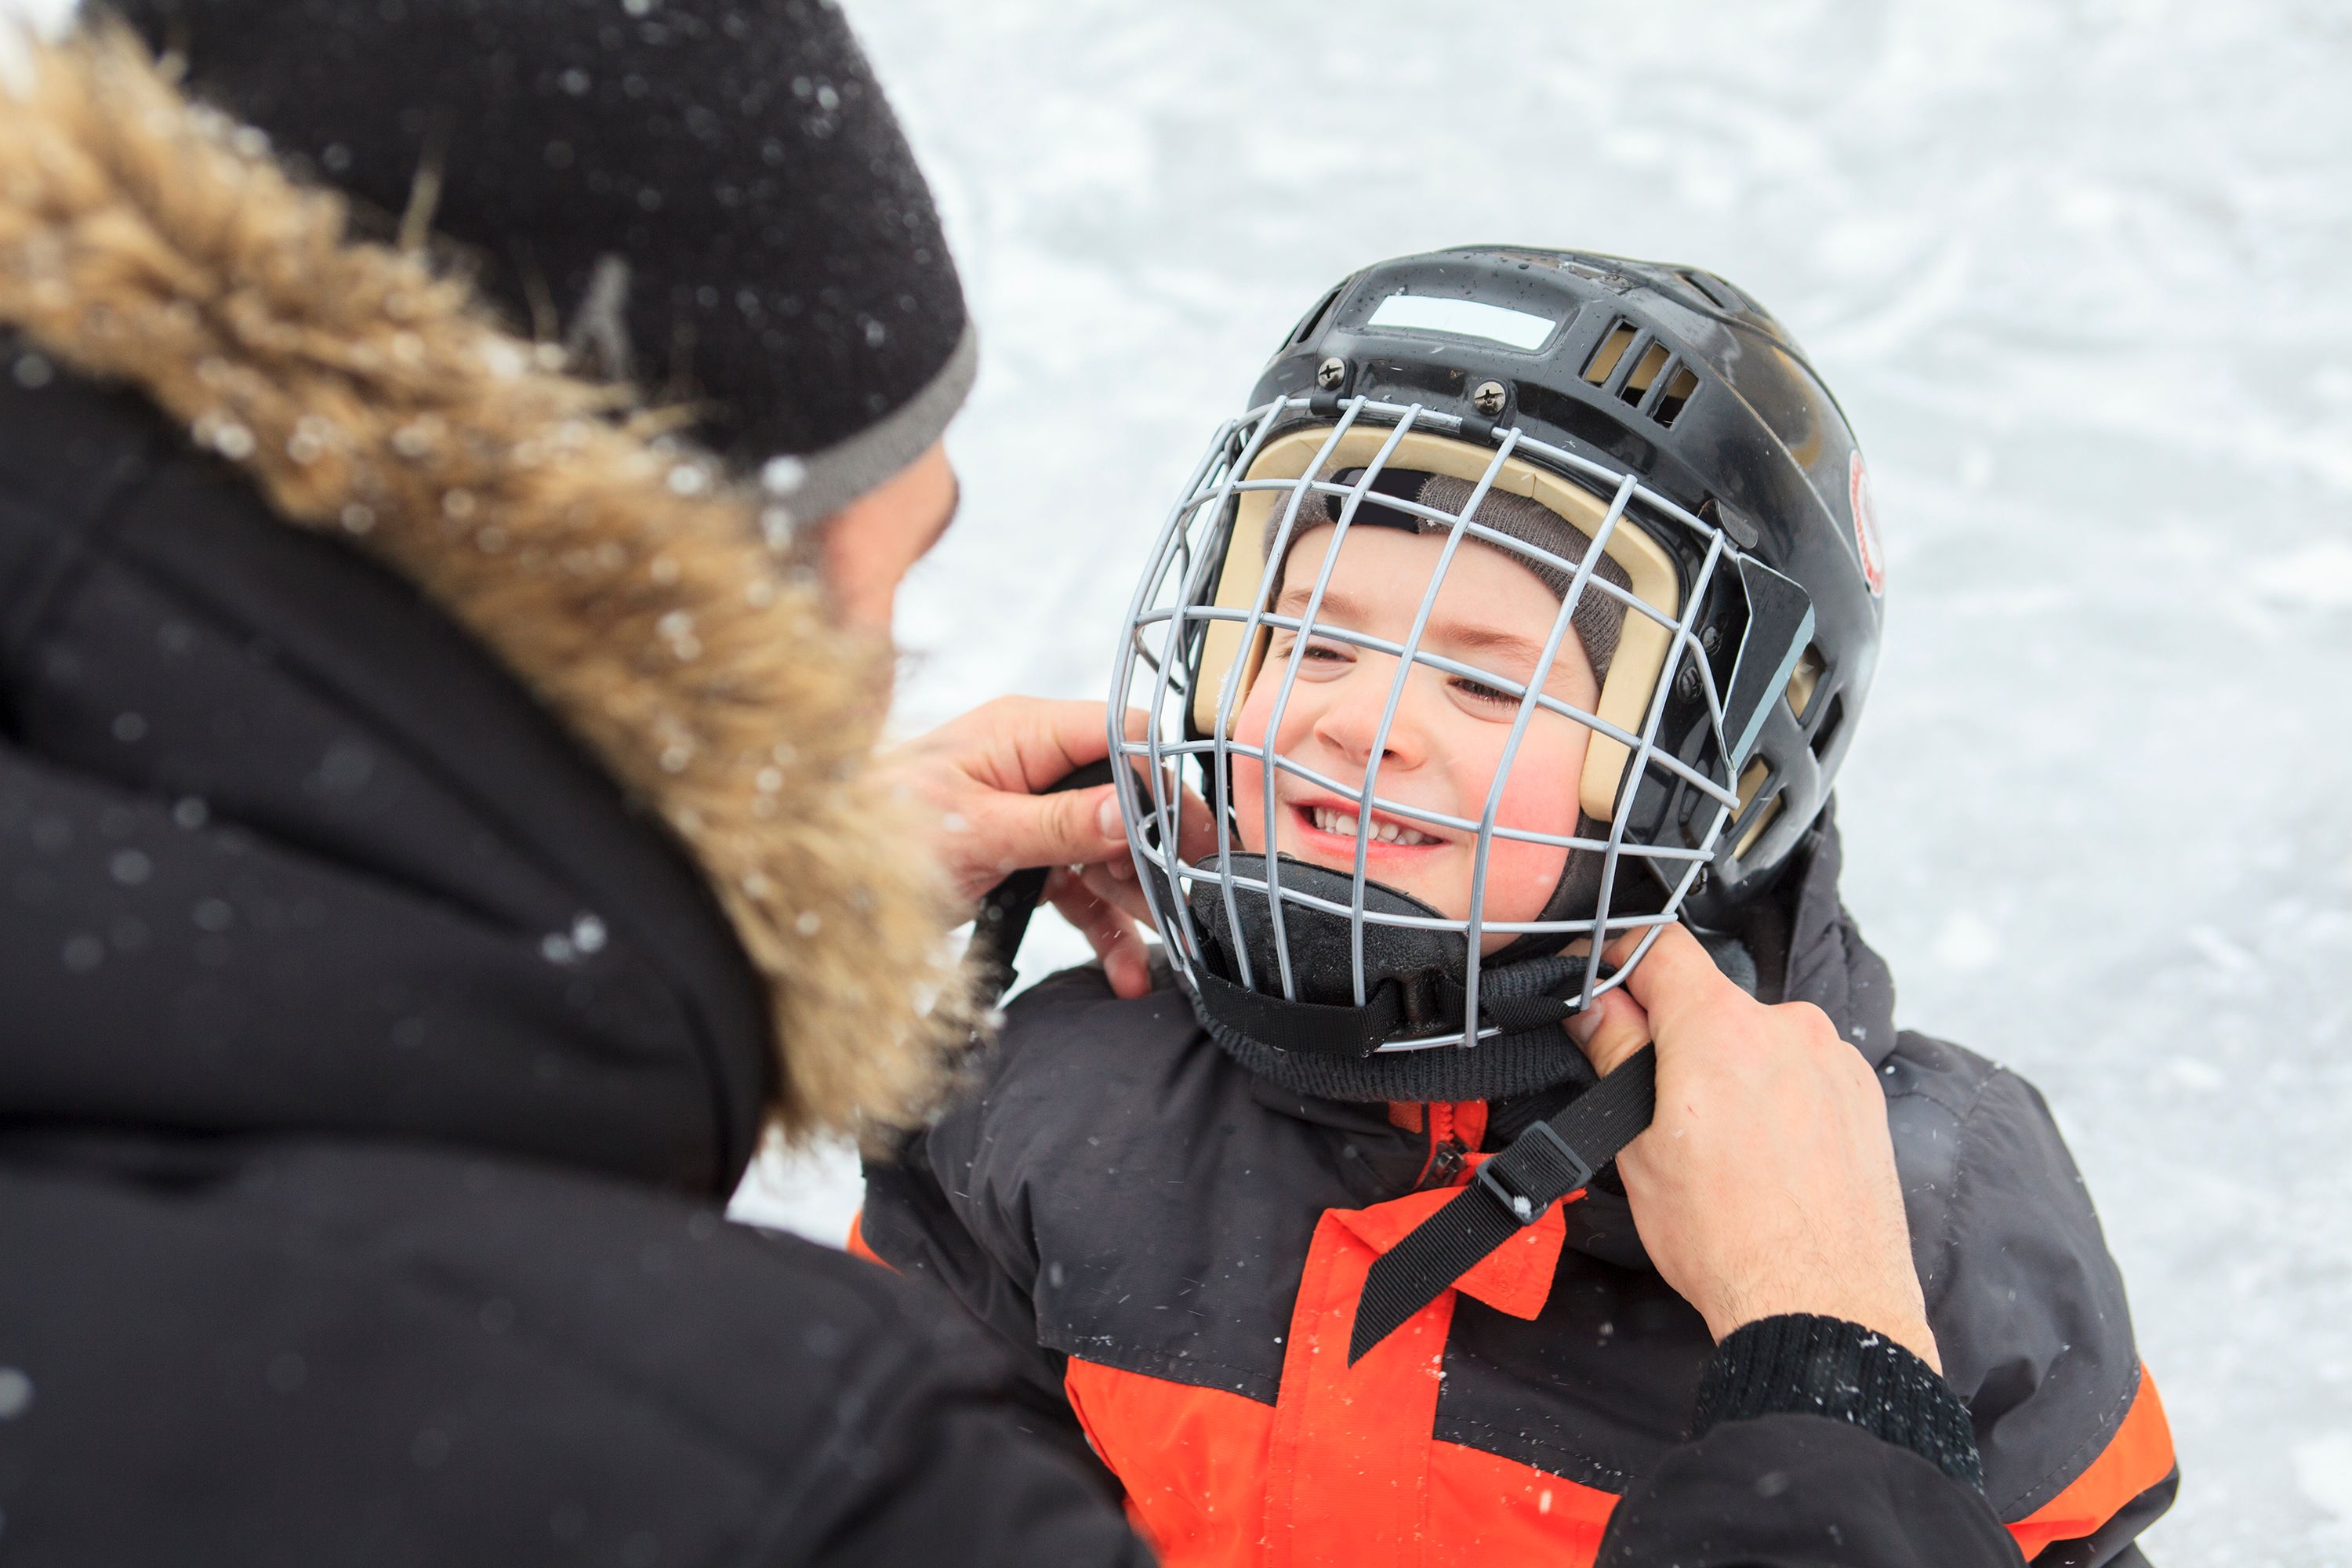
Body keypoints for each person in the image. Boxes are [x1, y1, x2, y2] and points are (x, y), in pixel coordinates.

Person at [0, 6, 1149, 1560]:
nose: (873, 680)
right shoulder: (809, 1484)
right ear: (682, 596)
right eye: (874, 583)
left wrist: (689, 911)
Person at [860, 249, 2180, 1566]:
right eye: (1313, 643)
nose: (1362, 722)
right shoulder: (1054, 1100)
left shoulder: (1924, 1216)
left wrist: (1825, 1333)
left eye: (1492, 686)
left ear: (1721, 773)